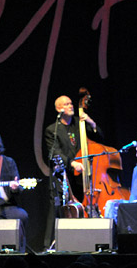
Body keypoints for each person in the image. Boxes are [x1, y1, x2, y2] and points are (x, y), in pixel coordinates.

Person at [43, 94, 103, 248]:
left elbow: (100, 137)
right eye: (67, 104)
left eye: (71, 103)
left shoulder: (80, 123)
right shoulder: (52, 130)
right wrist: (72, 163)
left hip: (82, 175)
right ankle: (48, 245)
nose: (71, 106)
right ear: (58, 109)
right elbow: (55, 152)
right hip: (63, 175)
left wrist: (91, 121)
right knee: (55, 208)